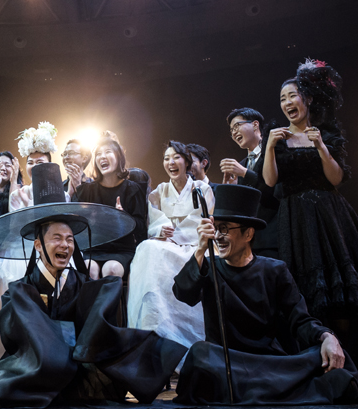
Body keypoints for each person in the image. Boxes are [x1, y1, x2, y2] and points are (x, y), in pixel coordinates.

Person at [0, 172, 187, 407]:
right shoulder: (19, 290)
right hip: (35, 365)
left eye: (69, 239)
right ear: (38, 245)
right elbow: (15, 340)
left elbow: (99, 335)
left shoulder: (83, 284)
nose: (64, 244)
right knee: (3, 381)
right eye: (56, 238)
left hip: (78, 362)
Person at [172, 184, 358, 405]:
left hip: (267, 363)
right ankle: (277, 391)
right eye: (216, 229)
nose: (218, 236)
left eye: (225, 229)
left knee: (327, 354)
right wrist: (201, 249)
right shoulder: (209, 266)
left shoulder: (274, 269)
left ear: (248, 233)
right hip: (225, 362)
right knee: (199, 354)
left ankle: (261, 389)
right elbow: (182, 293)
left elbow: (300, 320)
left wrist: (328, 337)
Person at [262, 59, 358, 334]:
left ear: (308, 99)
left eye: (293, 95)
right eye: (283, 98)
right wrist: (269, 147)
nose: (288, 102)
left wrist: (321, 147)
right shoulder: (277, 137)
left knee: (340, 292)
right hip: (296, 221)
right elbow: (270, 180)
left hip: (329, 217)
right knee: (307, 294)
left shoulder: (326, 133)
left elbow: (336, 179)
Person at [0, 122, 60, 367]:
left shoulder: (62, 193)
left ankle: (50, 353)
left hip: (53, 250)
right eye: (31, 162)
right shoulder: (18, 195)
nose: (35, 167)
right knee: (4, 274)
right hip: (22, 248)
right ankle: (7, 357)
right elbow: (18, 230)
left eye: (41, 162)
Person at [127, 141, 213, 357]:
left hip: (194, 245)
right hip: (167, 246)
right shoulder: (159, 191)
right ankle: (152, 331)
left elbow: (204, 219)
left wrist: (177, 233)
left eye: (175, 157)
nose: (170, 162)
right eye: (166, 158)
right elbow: (153, 220)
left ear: (186, 161)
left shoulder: (202, 188)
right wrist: (160, 230)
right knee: (147, 248)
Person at [72, 133, 147, 280]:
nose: (102, 157)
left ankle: (112, 304)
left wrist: (124, 218)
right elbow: (75, 221)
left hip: (121, 250)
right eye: (98, 154)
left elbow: (141, 229)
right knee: (89, 269)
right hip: (94, 248)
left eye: (107, 152)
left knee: (111, 269)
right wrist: (76, 189)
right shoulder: (88, 190)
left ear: (119, 157)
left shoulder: (132, 189)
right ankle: (90, 304)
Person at [220, 108, 279, 259]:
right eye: (231, 130)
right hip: (249, 242)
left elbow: (276, 193)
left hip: (274, 236)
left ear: (255, 125)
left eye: (237, 126)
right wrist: (230, 189)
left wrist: (246, 174)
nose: (233, 133)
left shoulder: (274, 152)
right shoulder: (242, 165)